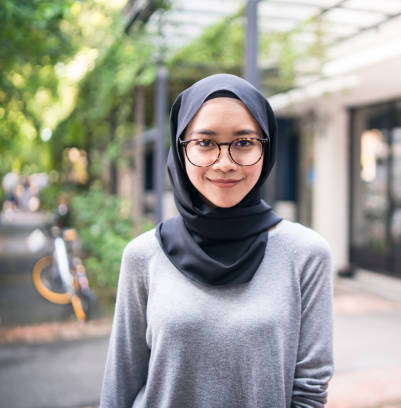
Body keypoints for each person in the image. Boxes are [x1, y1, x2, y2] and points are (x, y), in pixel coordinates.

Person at [100, 74, 334, 407]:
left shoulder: (305, 254)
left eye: (243, 142)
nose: (225, 164)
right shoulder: (143, 255)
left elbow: (309, 390)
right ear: (181, 149)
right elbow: (120, 385)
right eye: (205, 142)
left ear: (266, 148)